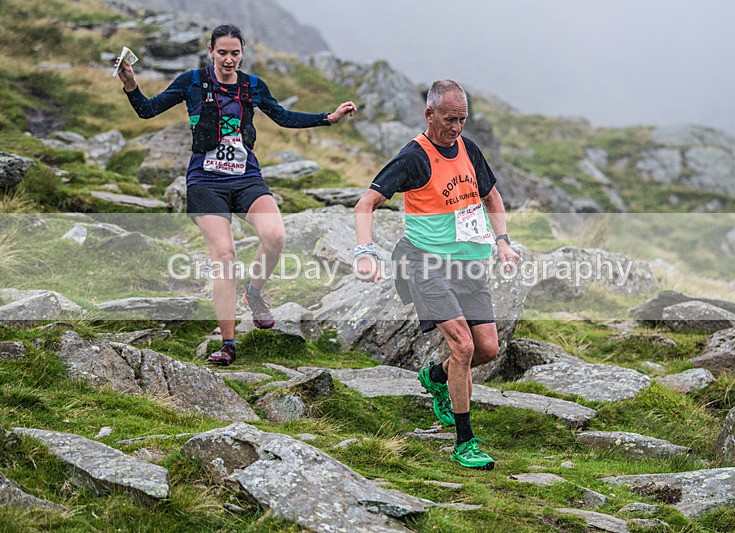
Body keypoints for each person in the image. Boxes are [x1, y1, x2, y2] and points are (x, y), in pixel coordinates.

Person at [116, 24, 357, 366]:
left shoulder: (253, 86)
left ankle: (254, 293)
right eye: (222, 52)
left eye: (235, 53)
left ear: (242, 53)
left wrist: (327, 119)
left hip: (246, 178)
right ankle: (228, 343)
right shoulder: (192, 81)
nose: (229, 59)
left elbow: (283, 117)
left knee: (275, 237)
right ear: (211, 52)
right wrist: (130, 84)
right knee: (225, 256)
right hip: (205, 182)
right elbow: (146, 110)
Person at [354, 80, 519, 470]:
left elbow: (491, 194)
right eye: (449, 119)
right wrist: (365, 251)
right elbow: (367, 203)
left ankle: (435, 376)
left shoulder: (468, 147)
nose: (456, 127)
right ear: (429, 114)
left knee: (487, 349)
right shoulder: (414, 156)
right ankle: (465, 443)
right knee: (462, 346)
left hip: (468, 264)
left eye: (462, 119)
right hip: (424, 262)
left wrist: (503, 240)